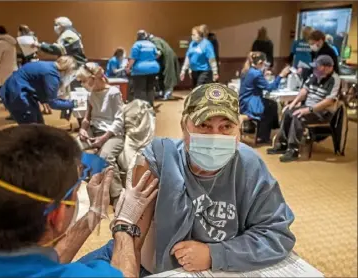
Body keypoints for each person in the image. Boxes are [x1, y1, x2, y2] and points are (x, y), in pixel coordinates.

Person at [87, 83, 296, 275]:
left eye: (226, 127)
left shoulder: (249, 166)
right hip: (147, 268)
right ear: (183, 126)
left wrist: (215, 254)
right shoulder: (160, 159)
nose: (215, 136)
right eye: (204, 126)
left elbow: (277, 234)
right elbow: (132, 244)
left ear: (238, 131)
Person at [0, 124, 159, 277]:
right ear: (56, 214)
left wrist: (93, 215)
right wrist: (124, 224)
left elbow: (34, 265)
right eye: (76, 191)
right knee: (116, 249)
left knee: (108, 250)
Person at [267, 55, 340, 162]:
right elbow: (304, 91)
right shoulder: (314, 75)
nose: (314, 69)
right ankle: (282, 144)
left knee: (298, 116)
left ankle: (293, 150)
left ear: (327, 67)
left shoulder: (335, 79)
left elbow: (329, 101)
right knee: (288, 112)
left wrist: (309, 110)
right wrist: (293, 104)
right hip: (308, 107)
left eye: (317, 67)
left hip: (322, 112)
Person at [77, 62, 125, 204]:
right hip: (94, 130)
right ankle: (83, 182)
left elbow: (119, 120)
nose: (83, 84)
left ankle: (117, 196)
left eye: (84, 81)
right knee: (72, 148)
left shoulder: (113, 93)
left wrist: (103, 138)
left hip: (112, 133)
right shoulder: (91, 94)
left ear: (94, 78)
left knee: (105, 157)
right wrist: (83, 129)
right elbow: (87, 117)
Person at [0, 56, 79, 124]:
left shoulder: (49, 65)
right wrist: (73, 104)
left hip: (17, 91)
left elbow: (45, 96)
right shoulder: (52, 75)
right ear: (67, 69)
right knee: (32, 128)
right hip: (18, 96)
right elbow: (53, 103)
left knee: (39, 125)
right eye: (70, 73)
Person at [239, 52, 291, 144]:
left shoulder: (246, 70)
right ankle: (263, 136)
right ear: (260, 62)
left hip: (244, 101)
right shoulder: (256, 73)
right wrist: (281, 75)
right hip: (251, 103)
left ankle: (265, 133)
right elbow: (270, 88)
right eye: (264, 63)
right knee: (271, 106)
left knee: (272, 104)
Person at [125, 30, 160, 106]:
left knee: (140, 89)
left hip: (140, 70)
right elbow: (157, 55)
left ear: (137, 37)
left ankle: (142, 108)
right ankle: (150, 107)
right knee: (150, 89)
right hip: (153, 69)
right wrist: (150, 59)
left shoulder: (137, 45)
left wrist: (128, 68)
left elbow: (133, 59)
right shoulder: (151, 44)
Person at [146, 31, 180, 100]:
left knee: (169, 75)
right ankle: (164, 93)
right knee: (162, 76)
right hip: (164, 59)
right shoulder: (155, 40)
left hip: (168, 58)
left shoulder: (154, 40)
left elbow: (159, 52)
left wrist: (150, 60)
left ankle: (168, 94)